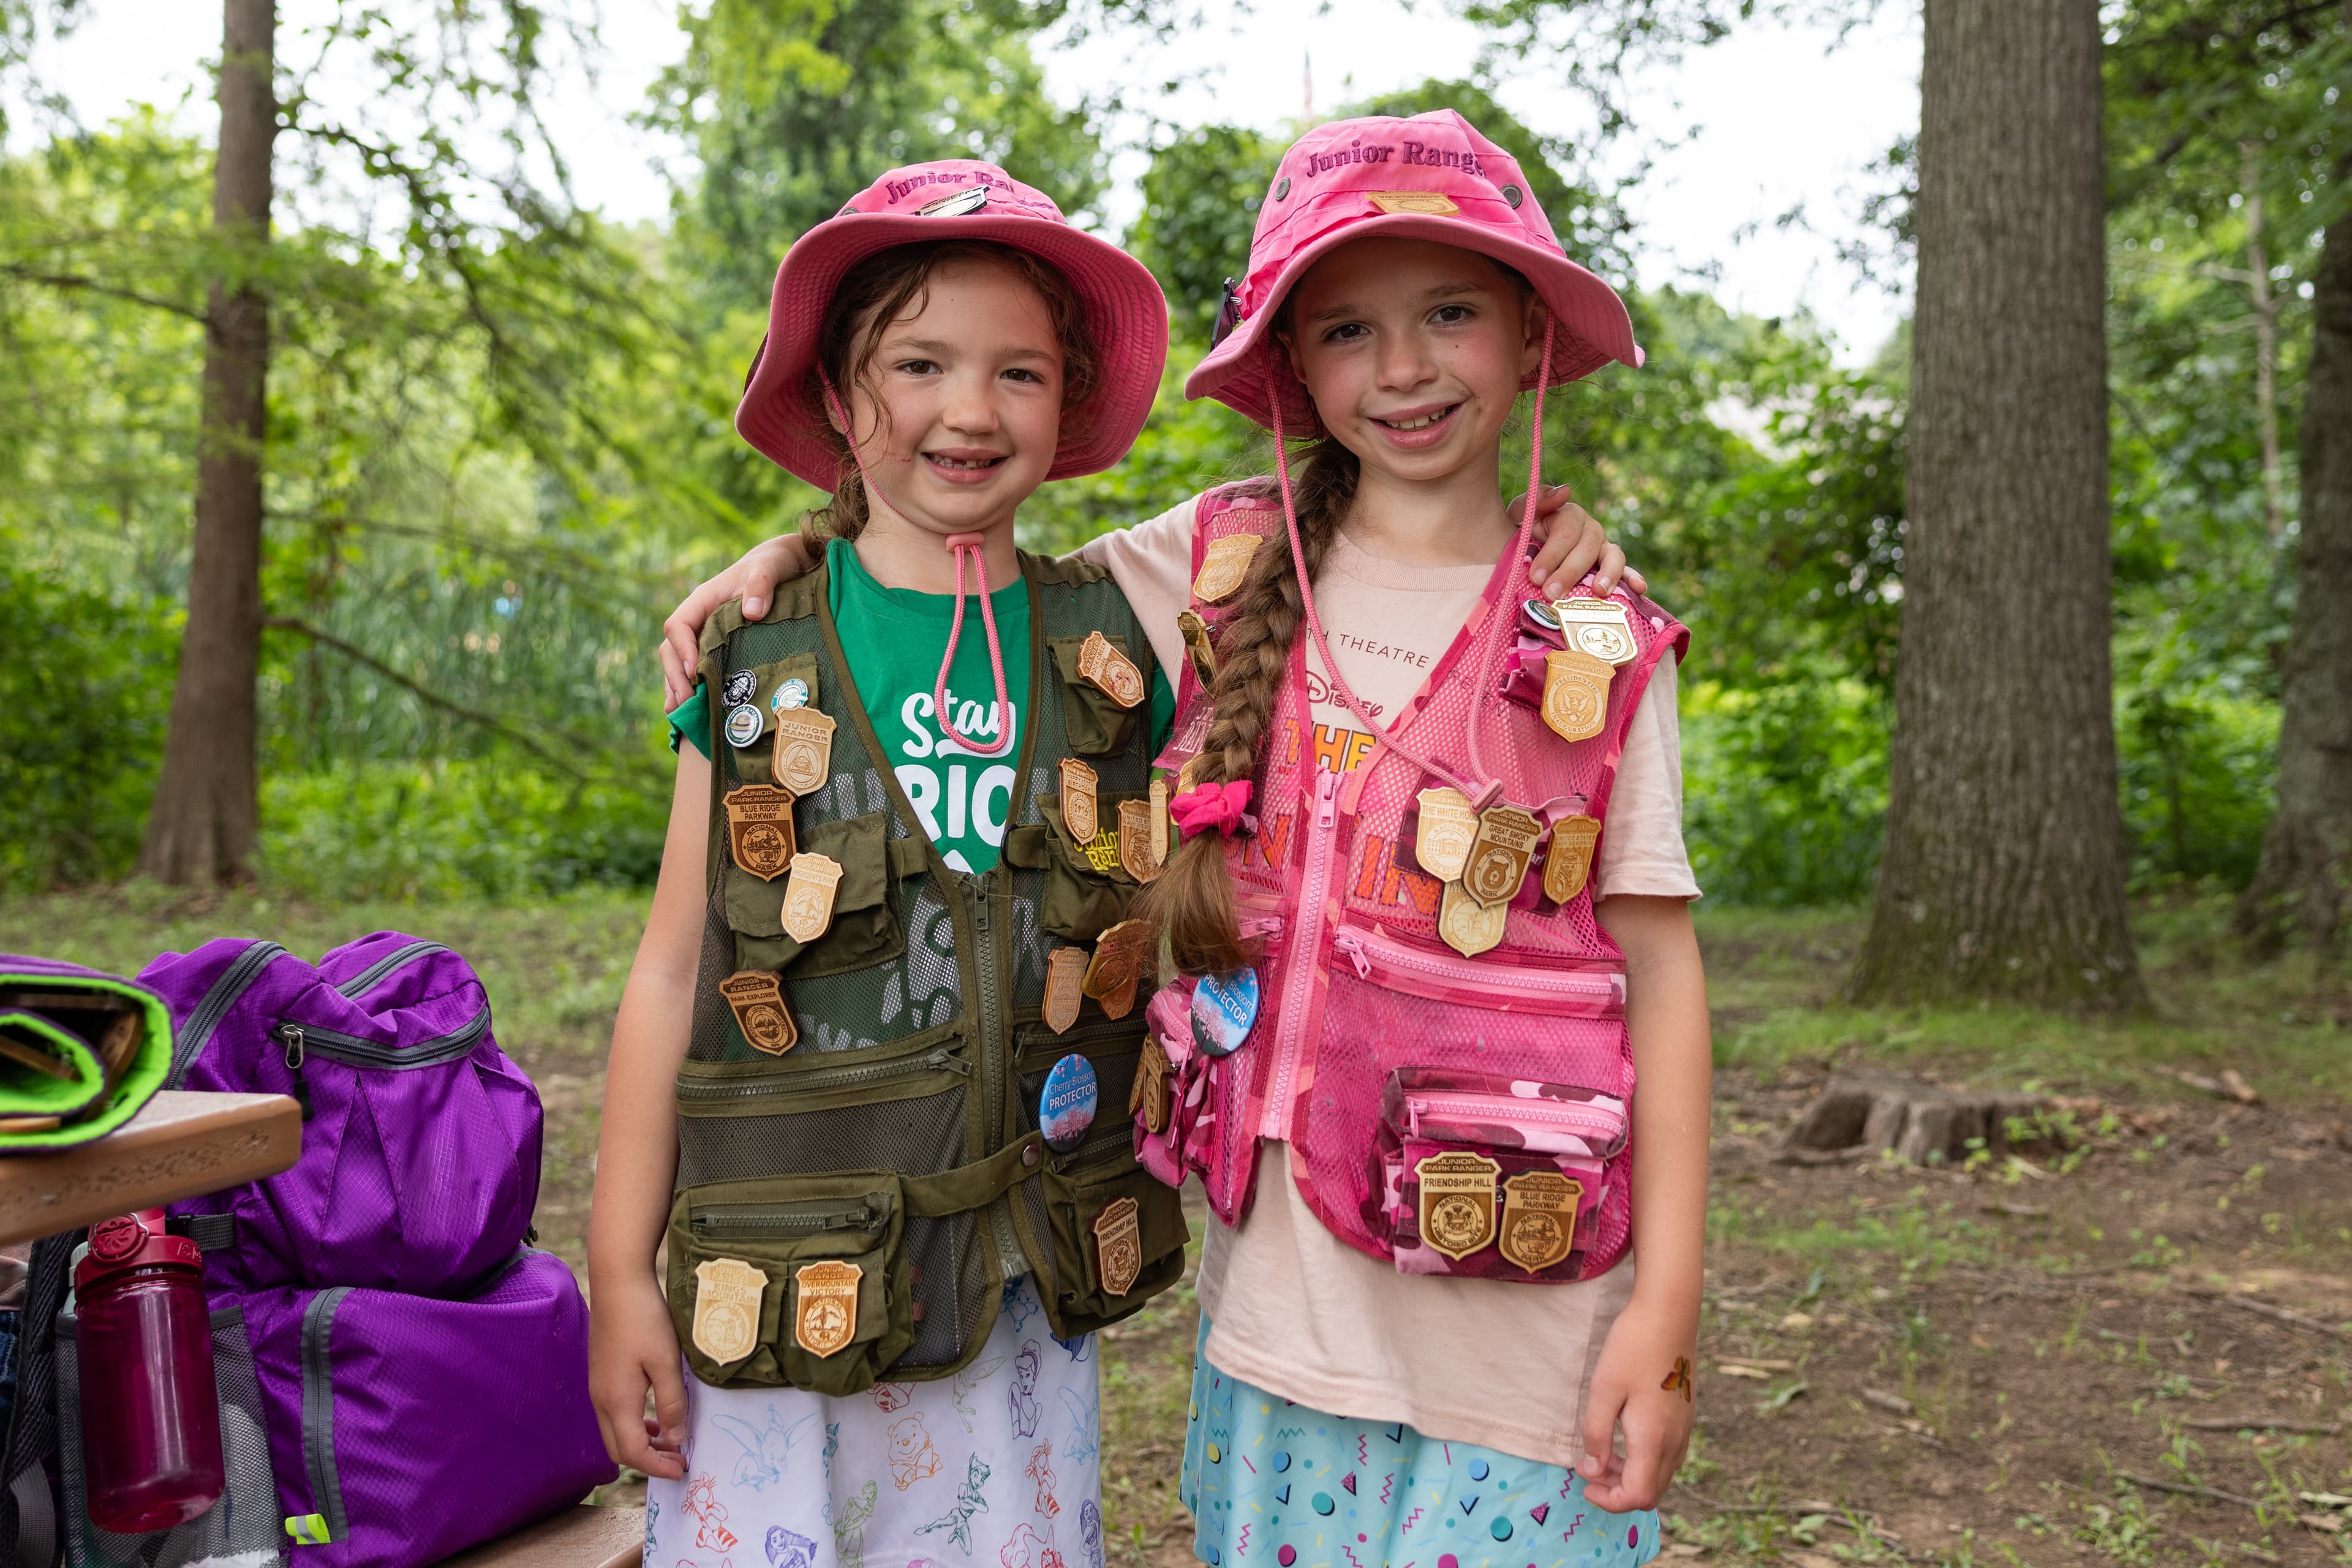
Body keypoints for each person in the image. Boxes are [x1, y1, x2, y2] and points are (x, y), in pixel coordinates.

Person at [656, 113, 1697, 1568]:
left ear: (1532, 333)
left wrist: (1667, 1309)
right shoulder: (1208, 568)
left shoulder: (1589, 641)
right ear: (1293, 365)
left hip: (1531, 1310)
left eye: (1450, 311)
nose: (1401, 368)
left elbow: (1666, 977)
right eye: (1347, 329)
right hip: (1275, 1322)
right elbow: (955, 558)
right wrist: (783, 562)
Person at [589, 160, 1196, 1568]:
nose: (970, 410)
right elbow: (674, 963)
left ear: (1066, 398)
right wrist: (618, 1272)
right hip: (784, 1276)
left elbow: (1359, 509)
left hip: (1023, 1295)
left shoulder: (1123, 620)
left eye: (1019, 371)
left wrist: (1557, 522)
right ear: (839, 400)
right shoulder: (754, 647)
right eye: (919, 362)